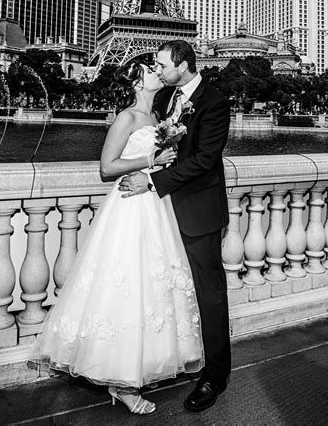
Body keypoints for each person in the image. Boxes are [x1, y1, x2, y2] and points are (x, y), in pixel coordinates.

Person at [30, 60, 204, 415]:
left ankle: (133, 370)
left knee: (151, 288)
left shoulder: (158, 119)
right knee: (126, 287)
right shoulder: (126, 117)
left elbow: (154, 164)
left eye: (159, 67)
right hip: (128, 209)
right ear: (137, 82)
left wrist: (161, 161)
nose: (158, 71)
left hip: (154, 205)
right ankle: (122, 382)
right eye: (151, 69)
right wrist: (150, 158)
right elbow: (107, 167)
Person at [120, 40, 231, 413]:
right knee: (171, 291)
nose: (158, 69)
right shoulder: (166, 99)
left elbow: (203, 159)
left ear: (182, 65)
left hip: (197, 211)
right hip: (164, 212)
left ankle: (215, 375)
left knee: (209, 293)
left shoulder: (215, 102)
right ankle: (181, 358)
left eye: (163, 64)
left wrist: (151, 182)